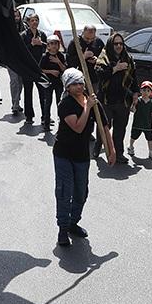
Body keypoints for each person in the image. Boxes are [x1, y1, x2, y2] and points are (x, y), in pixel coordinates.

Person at [53, 69, 98, 247]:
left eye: (81, 83)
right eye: (74, 84)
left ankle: (73, 222)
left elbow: (104, 123)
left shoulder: (90, 100)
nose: (79, 87)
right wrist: (88, 107)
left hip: (82, 155)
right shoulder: (65, 104)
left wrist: (111, 150)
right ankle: (63, 229)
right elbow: (78, 127)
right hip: (64, 154)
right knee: (65, 192)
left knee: (81, 191)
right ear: (67, 87)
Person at [95, 32, 136, 163]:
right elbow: (99, 74)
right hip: (106, 100)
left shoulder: (128, 58)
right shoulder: (104, 57)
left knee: (120, 129)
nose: (119, 46)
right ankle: (98, 146)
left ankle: (119, 153)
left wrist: (136, 93)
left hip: (123, 100)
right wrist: (115, 68)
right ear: (110, 45)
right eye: (116, 44)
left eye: (121, 44)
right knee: (104, 126)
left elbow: (133, 77)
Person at [20, 13, 46, 125]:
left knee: (43, 92)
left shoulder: (42, 34)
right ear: (28, 22)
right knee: (28, 92)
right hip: (28, 68)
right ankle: (29, 116)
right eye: (32, 20)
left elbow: (48, 48)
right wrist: (31, 44)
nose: (34, 22)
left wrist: (41, 44)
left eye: (36, 20)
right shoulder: (24, 35)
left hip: (40, 68)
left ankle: (45, 116)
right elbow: (21, 52)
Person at [38, 36, 67, 131]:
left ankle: (61, 124)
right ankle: (46, 123)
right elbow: (40, 70)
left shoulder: (60, 56)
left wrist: (58, 62)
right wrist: (51, 71)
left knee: (60, 103)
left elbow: (64, 69)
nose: (54, 46)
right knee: (48, 103)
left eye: (56, 43)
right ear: (48, 46)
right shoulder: (45, 57)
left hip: (59, 83)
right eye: (52, 43)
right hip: (48, 83)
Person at [128, 81, 152, 161]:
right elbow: (133, 110)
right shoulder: (138, 101)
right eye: (144, 90)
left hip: (147, 124)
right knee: (133, 136)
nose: (145, 92)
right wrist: (134, 104)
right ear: (140, 91)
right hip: (137, 123)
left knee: (150, 139)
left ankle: (151, 151)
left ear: (151, 93)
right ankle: (131, 146)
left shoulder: (151, 103)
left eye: (148, 91)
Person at [8, 8, 25, 115]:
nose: (16, 18)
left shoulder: (24, 28)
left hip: (22, 59)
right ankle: (15, 104)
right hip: (11, 59)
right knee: (14, 81)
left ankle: (17, 100)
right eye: (14, 16)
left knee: (21, 82)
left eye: (17, 16)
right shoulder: (7, 28)